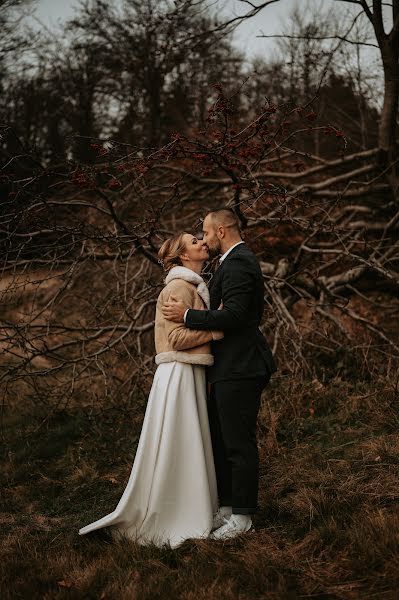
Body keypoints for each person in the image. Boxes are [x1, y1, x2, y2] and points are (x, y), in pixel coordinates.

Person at [79, 232, 224, 548]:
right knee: (180, 439)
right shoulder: (178, 287)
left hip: (187, 371)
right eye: (194, 241)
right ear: (184, 256)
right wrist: (215, 329)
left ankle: (191, 504)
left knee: (186, 440)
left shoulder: (190, 285)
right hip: (179, 373)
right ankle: (176, 511)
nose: (202, 242)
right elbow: (176, 340)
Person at [162, 208, 277, 540]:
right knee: (223, 439)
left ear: (222, 231)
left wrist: (188, 316)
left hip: (242, 366)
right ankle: (227, 508)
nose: (206, 239)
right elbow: (226, 313)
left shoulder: (240, 262)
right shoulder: (229, 263)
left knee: (239, 443)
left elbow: (238, 315)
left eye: (207, 233)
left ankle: (243, 518)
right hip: (229, 368)